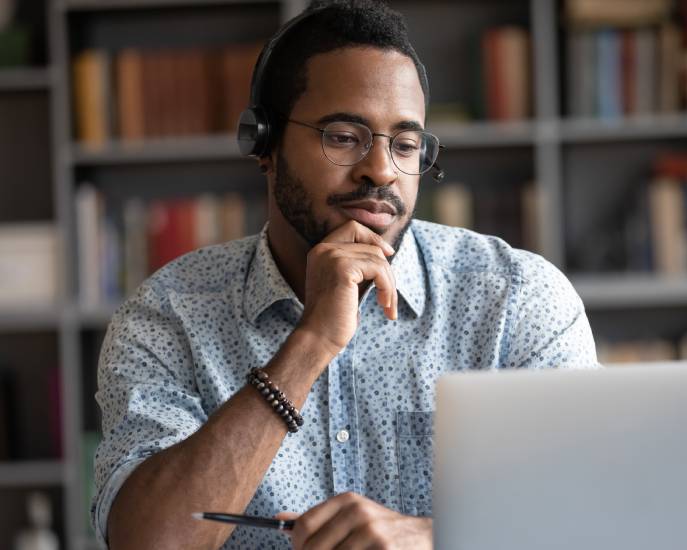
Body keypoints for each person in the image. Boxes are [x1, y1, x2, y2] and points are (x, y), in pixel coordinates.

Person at [92, 1, 598, 548]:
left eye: (406, 145)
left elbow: (596, 518)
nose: (381, 170)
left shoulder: (518, 299)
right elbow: (151, 542)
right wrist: (309, 344)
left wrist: (436, 539)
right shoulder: (169, 315)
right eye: (342, 136)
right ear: (264, 145)